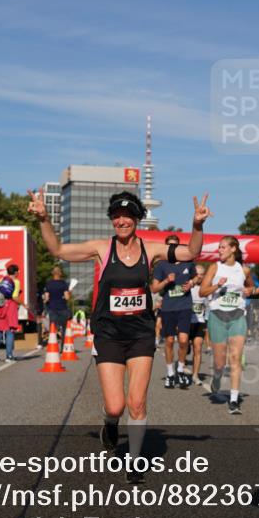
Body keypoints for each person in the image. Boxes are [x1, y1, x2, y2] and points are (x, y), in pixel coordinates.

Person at [28, 188, 211, 483]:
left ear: (137, 219)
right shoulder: (102, 248)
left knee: (137, 403)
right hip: (109, 334)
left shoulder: (150, 250)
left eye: (127, 215)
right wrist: (44, 219)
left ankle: (135, 462)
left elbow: (191, 252)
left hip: (140, 334)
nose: (122, 220)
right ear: (111, 219)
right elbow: (58, 250)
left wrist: (197, 225)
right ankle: (110, 423)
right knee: (116, 406)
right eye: (116, 216)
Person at [200, 236, 254, 415]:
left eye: (223, 247)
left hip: (237, 316)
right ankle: (217, 377)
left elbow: (253, 288)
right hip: (217, 316)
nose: (219, 250)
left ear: (233, 249)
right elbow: (202, 291)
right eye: (219, 247)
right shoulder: (215, 267)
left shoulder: (244, 270)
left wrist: (250, 290)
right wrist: (217, 285)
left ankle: (234, 400)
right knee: (220, 363)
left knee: (236, 359)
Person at [151, 234, 200, 389]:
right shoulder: (161, 265)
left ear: (179, 247)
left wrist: (191, 283)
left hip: (184, 306)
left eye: (175, 245)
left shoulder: (188, 262)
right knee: (170, 341)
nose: (172, 248)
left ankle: (180, 369)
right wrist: (166, 280)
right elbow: (154, 288)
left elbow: (197, 278)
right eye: (169, 246)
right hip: (168, 308)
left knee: (184, 341)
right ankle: (170, 373)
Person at [0, 264, 22, 363]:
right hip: (10, 307)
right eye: (18, 271)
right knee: (10, 332)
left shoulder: (1, 280)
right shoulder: (16, 282)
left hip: (0, 307)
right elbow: (14, 296)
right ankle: (9, 356)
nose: (18, 273)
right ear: (15, 272)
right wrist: (24, 304)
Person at [188, 263, 209, 386]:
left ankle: (195, 375)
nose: (200, 276)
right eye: (198, 274)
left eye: (202, 274)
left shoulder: (205, 289)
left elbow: (208, 306)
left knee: (198, 347)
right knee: (184, 346)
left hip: (200, 322)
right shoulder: (188, 286)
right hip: (186, 322)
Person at [43, 266, 72, 343]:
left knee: (53, 328)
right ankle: (63, 346)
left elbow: (46, 298)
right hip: (63, 308)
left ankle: (52, 345)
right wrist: (69, 293)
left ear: (53, 273)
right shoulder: (64, 284)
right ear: (60, 273)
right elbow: (67, 297)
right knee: (64, 329)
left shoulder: (49, 284)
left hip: (52, 309)